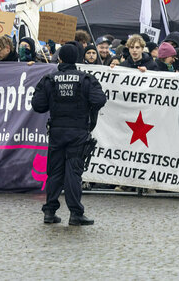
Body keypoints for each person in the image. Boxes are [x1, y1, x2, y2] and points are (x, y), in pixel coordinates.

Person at [32, 44, 106, 225]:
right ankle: (75, 214)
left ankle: (49, 212)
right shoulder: (86, 79)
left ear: (61, 59)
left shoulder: (49, 79)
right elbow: (99, 100)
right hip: (78, 131)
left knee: (55, 172)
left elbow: (38, 105)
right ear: (78, 59)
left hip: (57, 131)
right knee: (73, 172)